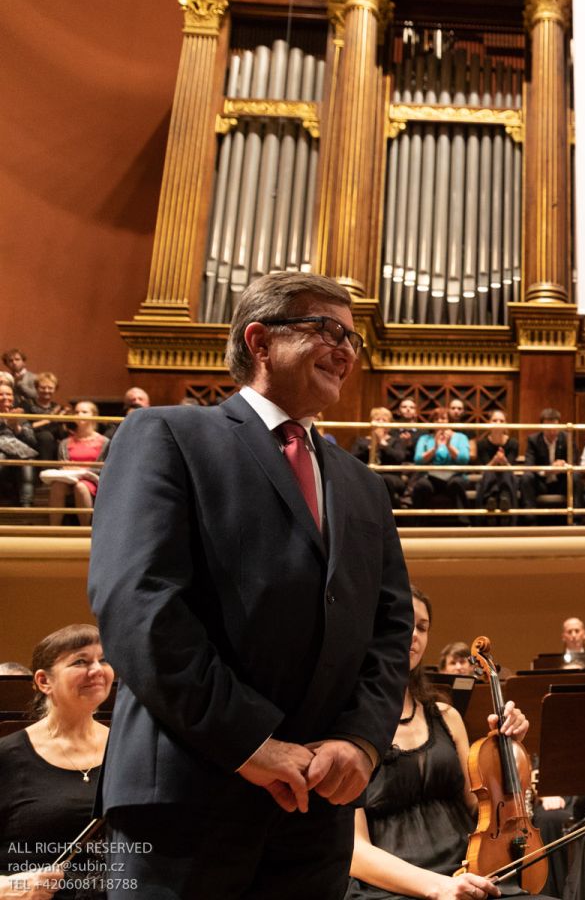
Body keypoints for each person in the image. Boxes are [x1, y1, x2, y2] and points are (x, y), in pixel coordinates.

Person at [87, 270, 414, 898]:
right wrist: (251, 743)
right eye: (327, 330)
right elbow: (139, 605)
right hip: (187, 796)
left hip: (317, 810)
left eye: (352, 339)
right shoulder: (167, 435)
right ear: (260, 340)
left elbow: (390, 627)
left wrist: (360, 741)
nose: (346, 351)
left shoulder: (364, 484)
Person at [347, 587, 538, 900]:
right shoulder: (347, 724)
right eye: (403, 622)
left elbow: (480, 810)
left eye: (422, 627)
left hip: (467, 874)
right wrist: (438, 887)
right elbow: (355, 850)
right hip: (392, 889)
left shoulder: (447, 716)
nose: (414, 634)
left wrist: (508, 752)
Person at [0, 625, 113, 900]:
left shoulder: (130, 749)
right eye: (80, 661)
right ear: (43, 681)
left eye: (103, 660)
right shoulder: (7, 756)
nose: (97, 670)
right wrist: (7, 888)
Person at [44, 401, 108, 525]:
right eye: (77, 412)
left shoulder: (104, 442)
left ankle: (85, 529)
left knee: (81, 487)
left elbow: (105, 468)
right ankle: (53, 529)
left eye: (84, 412)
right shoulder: (65, 442)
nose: (79, 415)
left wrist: (82, 471)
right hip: (70, 478)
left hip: (92, 480)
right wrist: (71, 470)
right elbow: (63, 465)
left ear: (94, 415)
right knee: (57, 486)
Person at [411, 406, 472, 523]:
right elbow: (418, 460)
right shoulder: (425, 438)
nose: (440, 421)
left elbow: (464, 459)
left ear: (449, 421)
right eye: (436, 419)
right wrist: (435, 448)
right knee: (421, 486)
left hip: (454, 476)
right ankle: (418, 523)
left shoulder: (460, 437)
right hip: (430, 477)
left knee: (456, 484)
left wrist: (449, 446)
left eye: (443, 418)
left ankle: (465, 523)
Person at [351, 406, 412, 509]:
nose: (380, 423)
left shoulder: (395, 441)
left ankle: (389, 512)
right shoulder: (362, 441)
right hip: (366, 475)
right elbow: (353, 459)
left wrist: (383, 444)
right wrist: (370, 448)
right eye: (377, 419)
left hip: (391, 477)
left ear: (389, 424)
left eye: (384, 420)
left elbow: (399, 458)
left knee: (382, 480)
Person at [520, 408, 572, 524]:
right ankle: (530, 521)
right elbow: (529, 466)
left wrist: (564, 466)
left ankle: (575, 520)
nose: (552, 431)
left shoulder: (567, 438)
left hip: (561, 482)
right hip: (541, 483)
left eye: (555, 427)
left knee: (575, 477)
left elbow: (575, 463)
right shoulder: (533, 440)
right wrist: (548, 470)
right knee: (526, 478)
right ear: (542, 426)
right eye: (548, 428)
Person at [474, 409, 520, 517]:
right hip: (488, 477)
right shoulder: (482, 444)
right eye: (495, 420)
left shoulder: (513, 443)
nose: (498, 423)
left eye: (501, 421)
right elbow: (484, 470)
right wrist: (495, 460)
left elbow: (511, 468)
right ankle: (494, 500)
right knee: (490, 473)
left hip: (507, 477)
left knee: (506, 473)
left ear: (506, 424)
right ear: (489, 423)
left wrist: (504, 460)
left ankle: (498, 499)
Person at [0, 381, 37, 507]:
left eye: (9, 394)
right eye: (1, 394)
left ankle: (26, 504)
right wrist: (5, 423)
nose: (5, 397)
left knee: (27, 460)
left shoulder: (19, 414)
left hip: (18, 453)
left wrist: (16, 426)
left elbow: (32, 441)